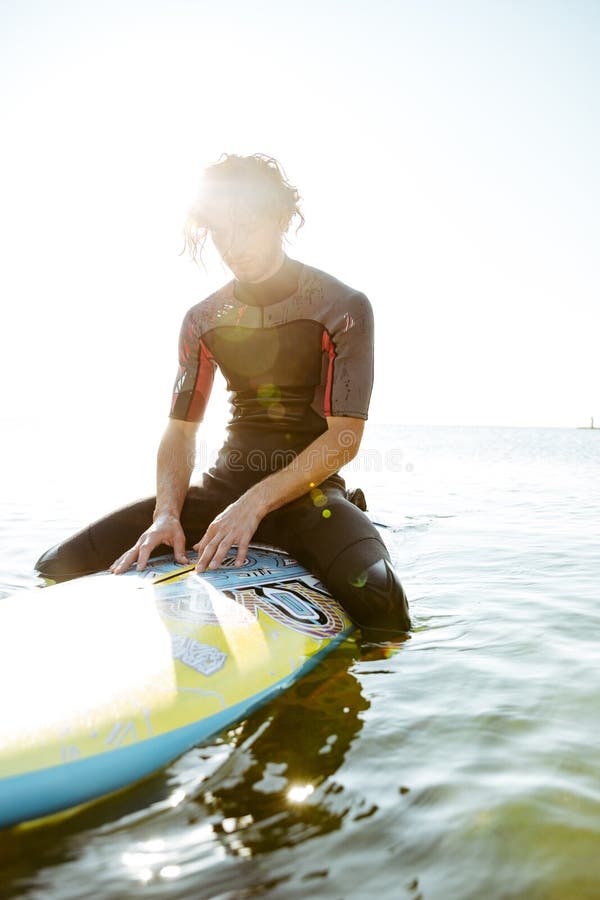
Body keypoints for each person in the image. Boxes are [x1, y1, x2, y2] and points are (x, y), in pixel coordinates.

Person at [36, 154, 410, 637]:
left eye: (246, 226)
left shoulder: (343, 307)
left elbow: (345, 437)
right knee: (56, 565)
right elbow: (180, 431)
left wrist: (253, 506)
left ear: (279, 218)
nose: (232, 245)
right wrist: (166, 514)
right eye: (220, 231)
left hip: (309, 500)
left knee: (384, 604)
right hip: (221, 492)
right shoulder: (203, 319)